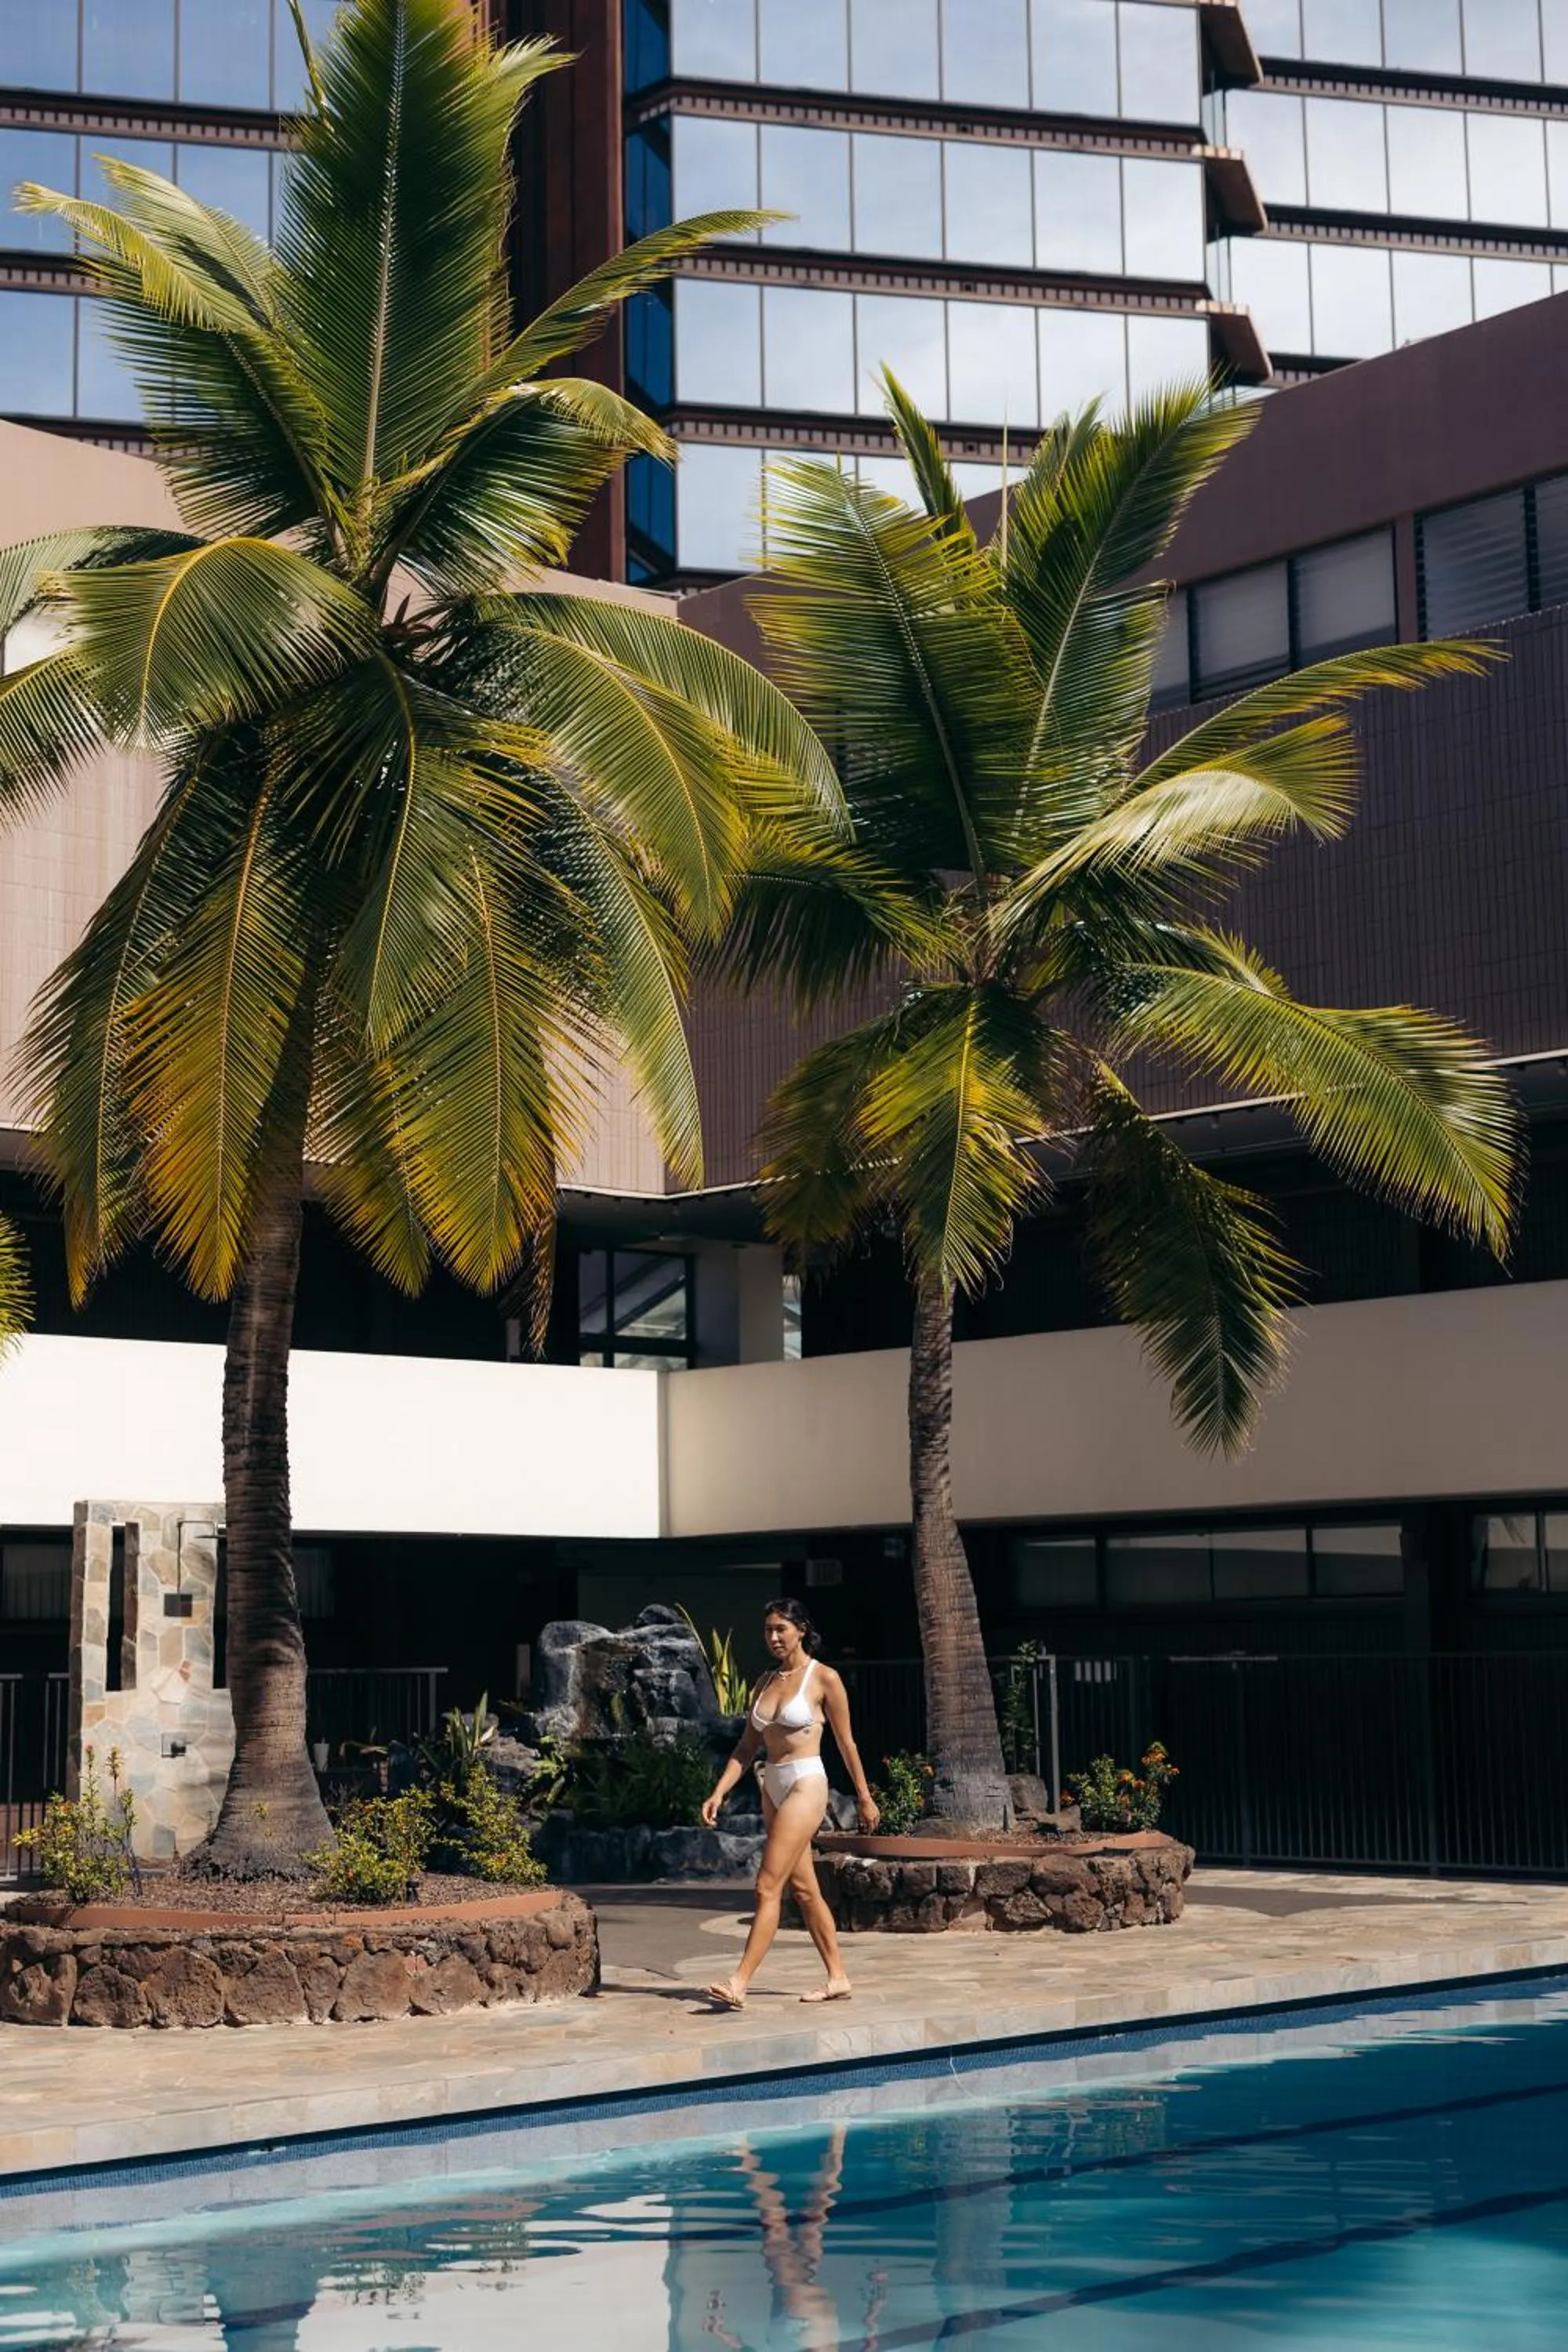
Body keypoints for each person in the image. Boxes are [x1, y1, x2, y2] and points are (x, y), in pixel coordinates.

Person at [699, 1597, 880, 2009]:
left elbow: (846, 1743)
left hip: (806, 1782)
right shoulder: (764, 1682)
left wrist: (865, 1797)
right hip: (773, 1785)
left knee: (767, 1886)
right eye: (768, 1630)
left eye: (782, 1628)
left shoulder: (823, 1678)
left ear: (801, 1629)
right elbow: (746, 1748)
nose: (774, 1637)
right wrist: (719, 1791)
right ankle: (838, 1978)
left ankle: (738, 1983)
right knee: (804, 1890)